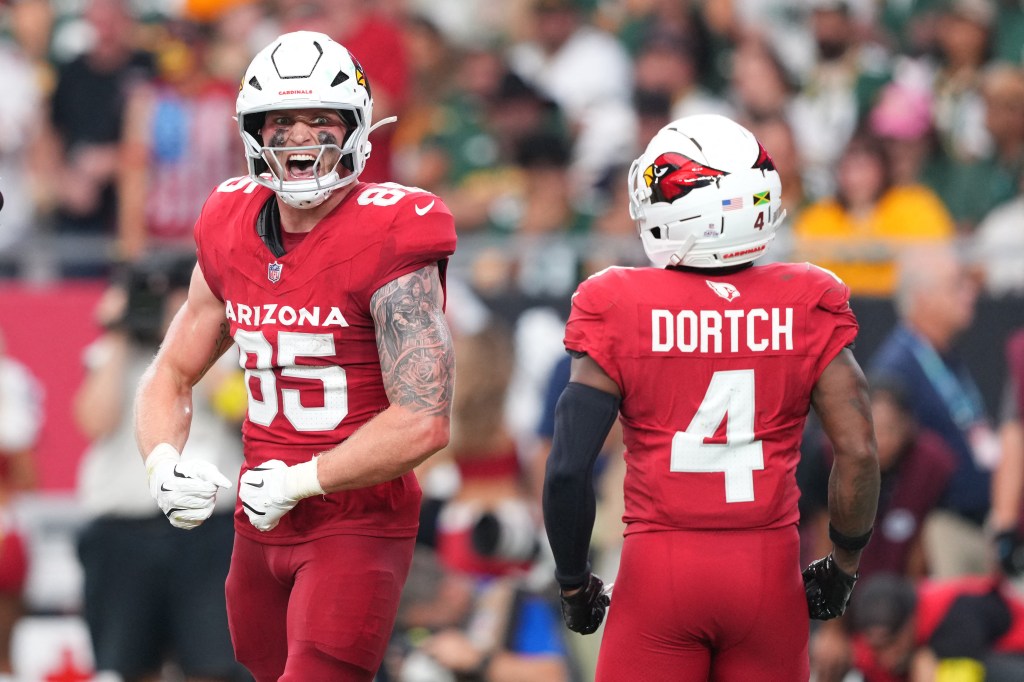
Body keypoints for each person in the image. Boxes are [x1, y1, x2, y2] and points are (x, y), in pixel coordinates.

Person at [132, 30, 457, 682]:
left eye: (320, 120)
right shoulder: (229, 222)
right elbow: (172, 371)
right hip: (259, 522)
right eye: (281, 121)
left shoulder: (390, 230)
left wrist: (301, 480)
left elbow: (423, 419)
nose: (300, 137)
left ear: (357, 127)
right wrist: (163, 461)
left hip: (355, 519)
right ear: (254, 130)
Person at [541, 113, 880, 680]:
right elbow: (860, 451)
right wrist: (844, 563)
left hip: (660, 571)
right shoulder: (806, 298)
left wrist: (574, 583)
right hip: (768, 572)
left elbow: (569, 469)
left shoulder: (618, 302)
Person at [73, 254, 247, 682]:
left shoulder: (226, 350)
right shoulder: (110, 353)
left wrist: (186, 338)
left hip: (208, 532)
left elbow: (241, 412)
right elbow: (94, 421)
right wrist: (118, 333)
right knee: (129, 665)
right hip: (123, 532)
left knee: (214, 665)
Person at [868, 244, 994, 578]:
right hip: (938, 532)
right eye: (956, 285)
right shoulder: (897, 368)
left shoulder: (944, 354)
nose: (970, 293)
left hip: (972, 525)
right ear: (922, 298)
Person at [848, 572, 1024, 682]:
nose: (887, 658)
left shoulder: (956, 609)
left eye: (892, 643)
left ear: (910, 622)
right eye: (878, 648)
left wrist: (933, 657)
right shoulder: (864, 651)